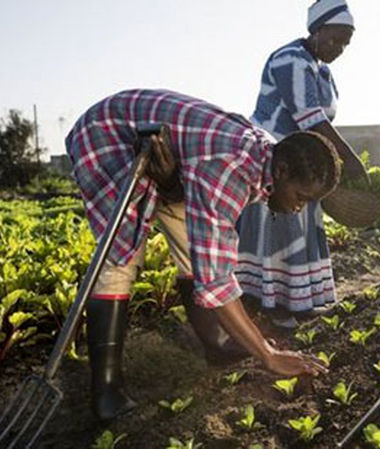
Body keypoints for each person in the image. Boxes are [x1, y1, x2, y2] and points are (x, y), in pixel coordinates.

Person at [66, 89, 332, 420]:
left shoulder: (268, 155)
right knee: (119, 258)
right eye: (300, 196)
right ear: (281, 172)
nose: (298, 208)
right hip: (108, 136)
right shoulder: (228, 171)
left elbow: (208, 255)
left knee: (193, 248)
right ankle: (106, 392)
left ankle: (218, 345)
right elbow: (217, 279)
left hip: (170, 159)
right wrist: (268, 354)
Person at [238, 0, 365, 329]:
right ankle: (273, 305)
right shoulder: (290, 59)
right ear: (317, 30)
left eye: (345, 44)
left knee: (302, 226)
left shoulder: (322, 70)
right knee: (279, 227)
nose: (339, 48)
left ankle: (300, 301)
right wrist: (348, 160)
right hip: (274, 158)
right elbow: (310, 118)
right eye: (335, 39)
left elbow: (322, 121)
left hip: (303, 159)